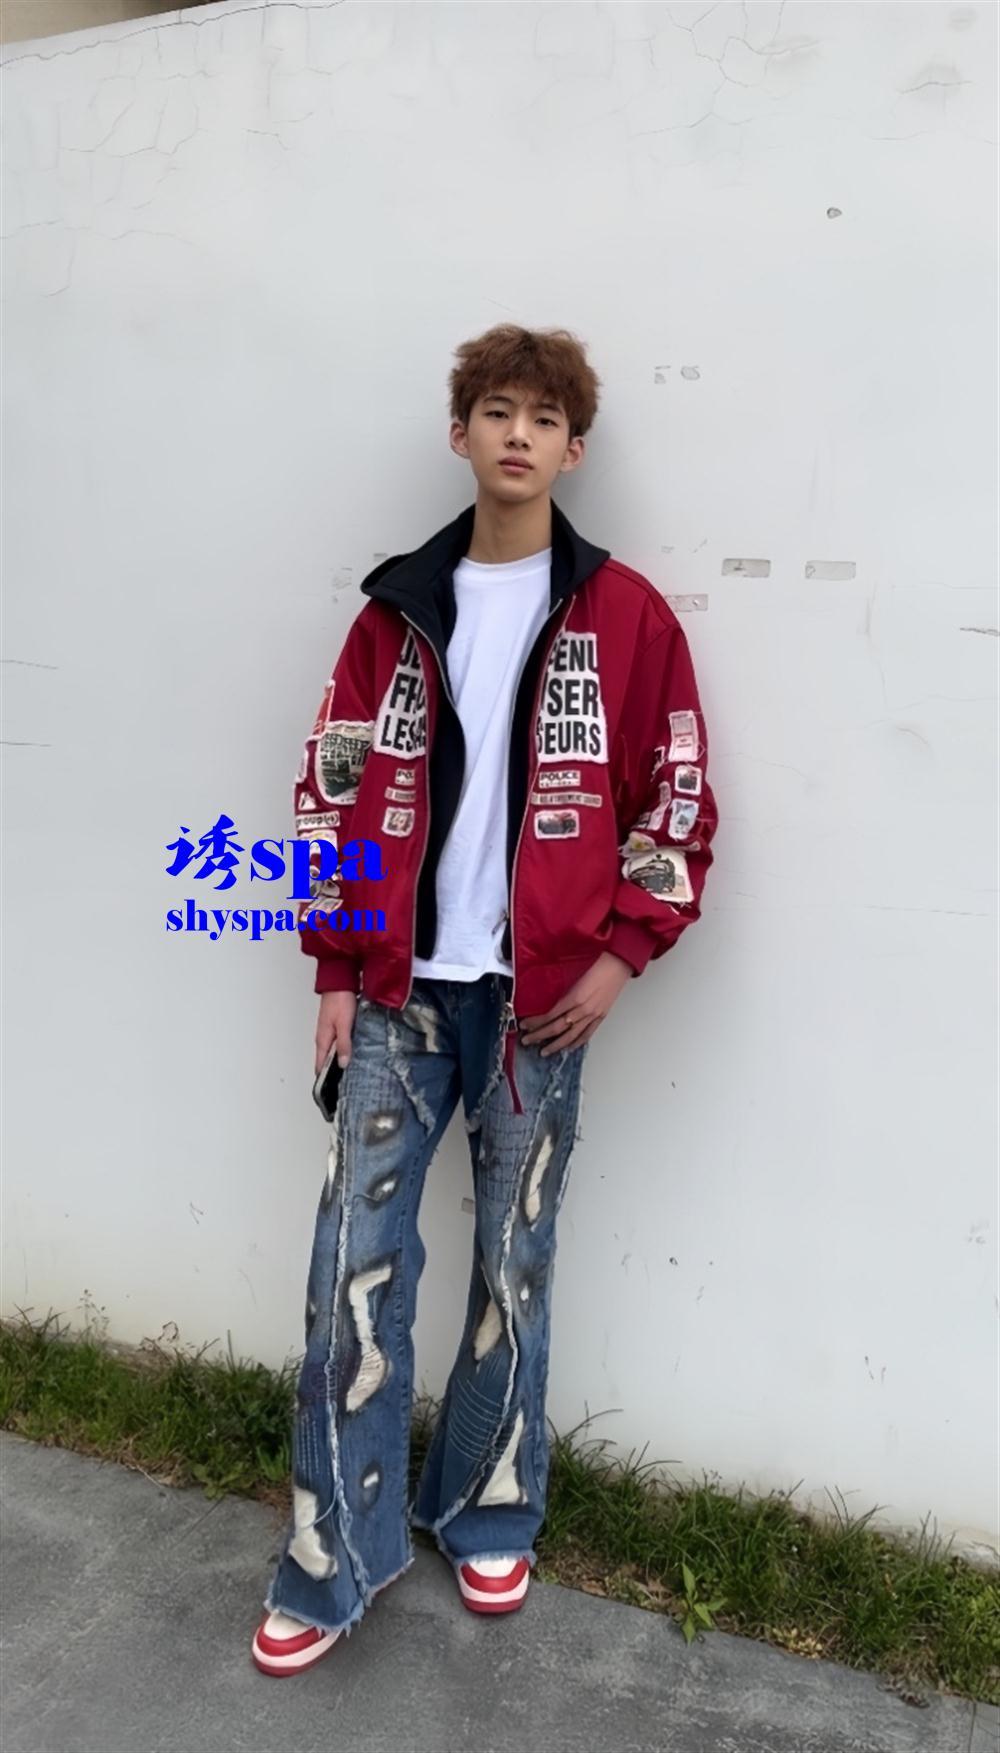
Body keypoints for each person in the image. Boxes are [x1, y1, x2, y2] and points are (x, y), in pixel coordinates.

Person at [251, 324, 718, 1676]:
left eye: (545, 417)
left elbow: (679, 796)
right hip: (395, 996)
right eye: (497, 410)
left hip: (539, 1006)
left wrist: (622, 953)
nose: (519, 433)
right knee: (352, 1270)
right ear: (460, 434)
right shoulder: (395, 610)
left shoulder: (628, 617)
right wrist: (336, 965)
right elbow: (333, 787)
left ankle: (489, 1506)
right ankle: (331, 1554)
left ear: (575, 449)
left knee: (514, 1267)